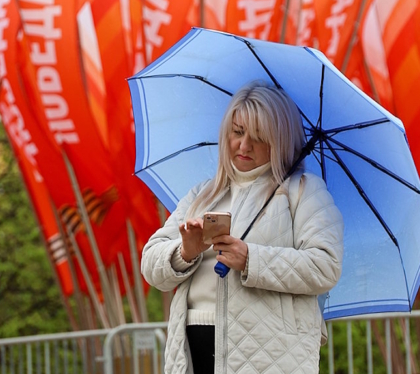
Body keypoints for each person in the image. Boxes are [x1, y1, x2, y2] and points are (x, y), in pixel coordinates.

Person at [141, 81, 344, 374]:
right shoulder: (203, 193)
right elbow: (150, 264)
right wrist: (184, 252)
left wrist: (251, 259)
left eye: (259, 137)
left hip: (268, 357)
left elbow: (326, 265)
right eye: (237, 132)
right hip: (190, 352)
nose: (244, 145)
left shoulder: (304, 191)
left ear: (281, 140)